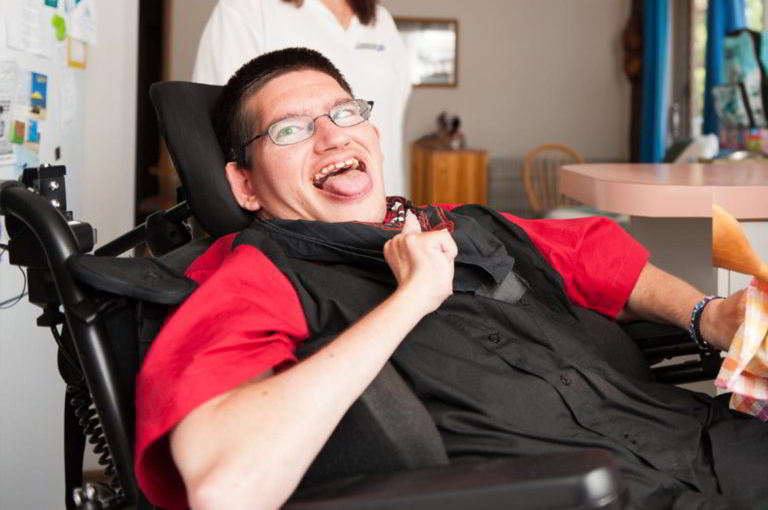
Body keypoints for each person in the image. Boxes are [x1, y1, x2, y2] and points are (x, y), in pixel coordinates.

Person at [136, 48, 766, 510]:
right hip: (587, 493)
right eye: (291, 129)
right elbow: (225, 484)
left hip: (714, 446)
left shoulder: (460, 222)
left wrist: (707, 314)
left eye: (344, 113)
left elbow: (596, 257)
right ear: (245, 185)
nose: (330, 136)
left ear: (374, 137)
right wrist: (410, 300)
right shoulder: (255, 276)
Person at [192, 0, 411, 196]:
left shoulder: (380, 21)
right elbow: (220, 125)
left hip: (379, 203)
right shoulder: (251, 2)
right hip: (290, 215)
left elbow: (392, 123)